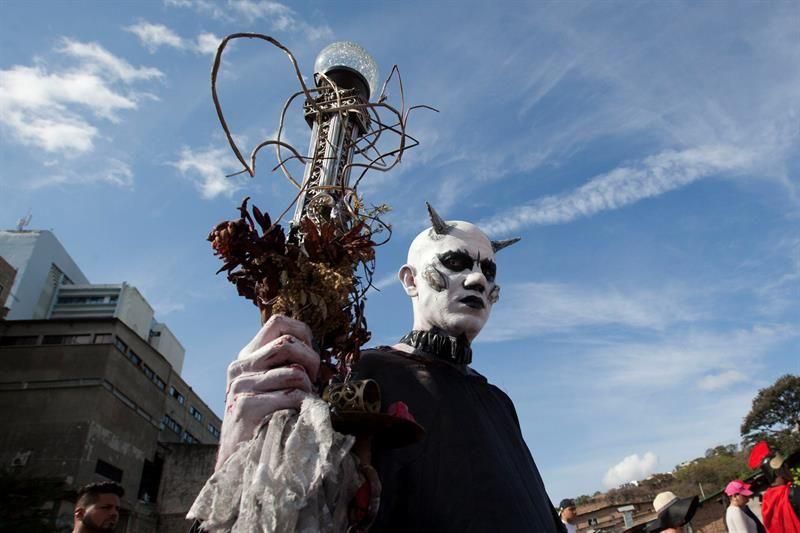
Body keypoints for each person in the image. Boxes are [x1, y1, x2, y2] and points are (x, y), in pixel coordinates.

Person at [201, 205, 565, 532]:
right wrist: (242, 452)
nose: (477, 280)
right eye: (456, 262)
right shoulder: (365, 372)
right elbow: (297, 502)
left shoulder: (498, 401)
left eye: (488, 270)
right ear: (410, 280)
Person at [748, 441, 800, 533]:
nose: (789, 470)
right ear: (777, 470)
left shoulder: (767, 499)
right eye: (785, 466)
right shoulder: (793, 492)